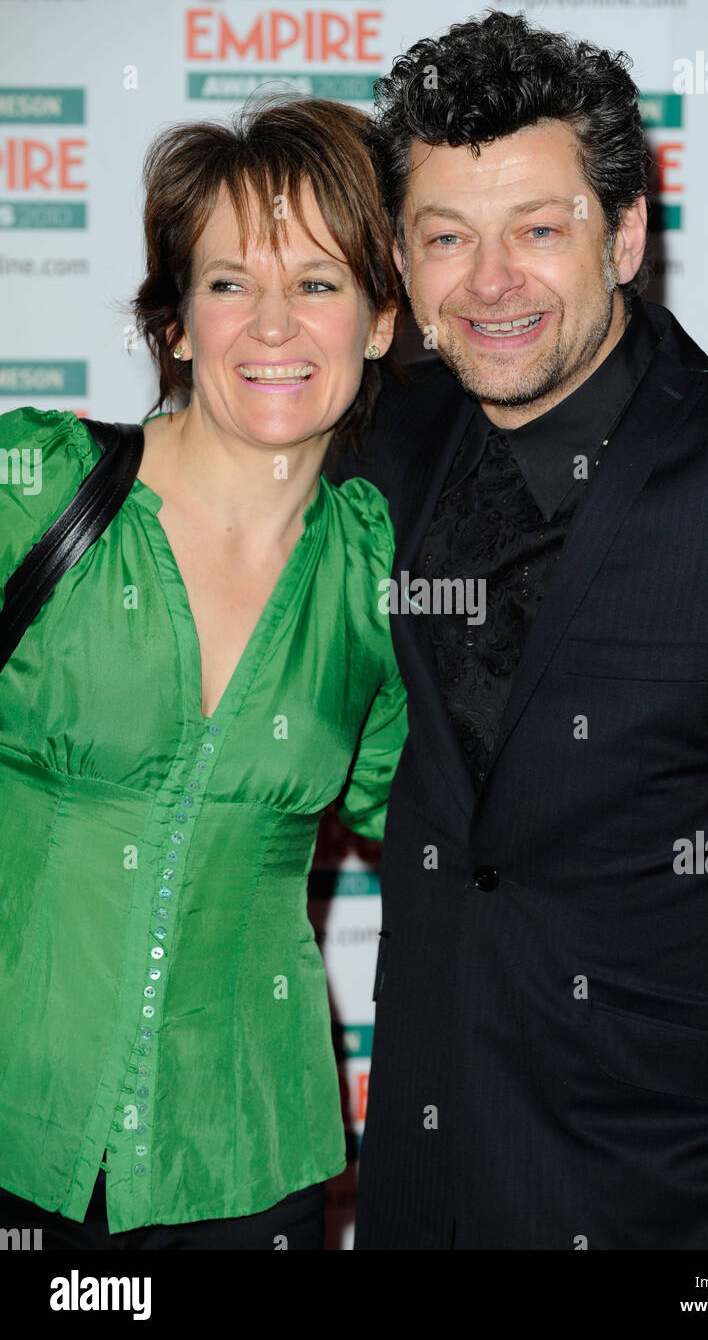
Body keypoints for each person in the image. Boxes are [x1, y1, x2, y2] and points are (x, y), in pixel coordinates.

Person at [335, 11, 708, 1250]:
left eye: (538, 227)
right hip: (422, 1184)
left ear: (622, 235)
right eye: (446, 238)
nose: (492, 280)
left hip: (678, 1200)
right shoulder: (376, 446)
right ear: (402, 268)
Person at [0, 94, 406, 1249]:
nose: (272, 326)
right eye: (230, 282)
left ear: (380, 322)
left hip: (244, 1159)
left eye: (320, 283)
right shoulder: (35, 489)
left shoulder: (377, 573)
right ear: (175, 322)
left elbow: (447, 832)